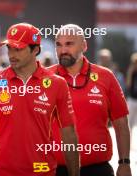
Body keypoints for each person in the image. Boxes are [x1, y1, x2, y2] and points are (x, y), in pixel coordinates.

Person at [0, 23, 79, 176]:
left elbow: (68, 132)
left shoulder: (57, 83)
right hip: (3, 172)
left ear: (35, 50)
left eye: (18, 49)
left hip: (43, 171)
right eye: (9, 48)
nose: (11, 55)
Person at [48, 24, 131, 176]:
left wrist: (124, 163)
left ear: (84, 45)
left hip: (97, 169)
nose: (63, 50)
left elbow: (121, 124)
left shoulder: (106, 77)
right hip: (51, 170)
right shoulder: (43, 79)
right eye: (58, 45)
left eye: (69, 44)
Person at [126, 52, 137, 139]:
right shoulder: (131, 72)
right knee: (130, 121)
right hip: (132, 99)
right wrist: (131, 71)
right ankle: (129, 138)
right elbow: (128, 84)